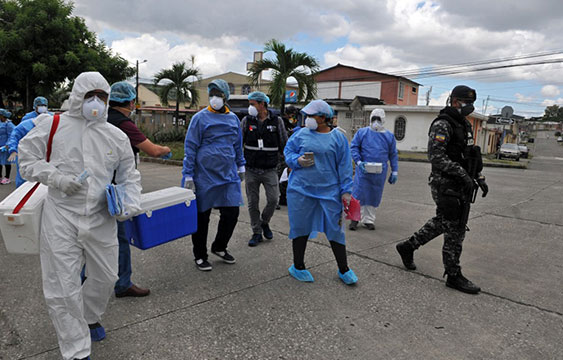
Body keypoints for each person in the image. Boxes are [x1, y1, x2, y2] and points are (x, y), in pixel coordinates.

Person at [19, 72, 142, 360]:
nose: (96, 102)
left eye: (102, 96)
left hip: (101, 217)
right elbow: (26, 160)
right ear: (77, 96)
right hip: (62, 215)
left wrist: (129, 203)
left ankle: (89, 316)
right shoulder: (53, 125)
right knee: (62, 284)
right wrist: (57, 179)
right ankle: (76, 349)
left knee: (107, 275)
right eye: (90, 95)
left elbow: (129, 175)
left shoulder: (116, 135)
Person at [395, 85, 488, 295]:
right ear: (455, 101)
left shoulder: (464, 125)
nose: (469, 107)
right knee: (455, 227)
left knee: (444, 222)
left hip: (461, 183)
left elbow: (470, 154)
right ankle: (453, 274)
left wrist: (478, 176)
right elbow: (436, 156)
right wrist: (461, 173)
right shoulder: (442, 124)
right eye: (467, 103)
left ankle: (408, 246)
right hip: (445, 183)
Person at [107, 81, 171, 298]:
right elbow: (152, 150)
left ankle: (84, 281)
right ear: (131, 101)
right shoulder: (124, 124)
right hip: (115, 191)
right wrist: (166, 149)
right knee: (120, 238)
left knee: (92, 239)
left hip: (93, 186)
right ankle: (122, 283)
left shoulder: (99, 119)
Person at [284, 99, 357, 285]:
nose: (307, 119)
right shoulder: (300, 134)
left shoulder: (338, 137)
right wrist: (297, 160)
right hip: (301, 190)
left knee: (335, 230)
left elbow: (345, 166)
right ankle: (298, 266)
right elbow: (288, 151)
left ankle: (344, 269)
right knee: (301, 227)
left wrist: (346, 190)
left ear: (324, 118)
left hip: (329, 192)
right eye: (306, 115)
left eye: (311, 115)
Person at [182, 79, 245, 271]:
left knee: (232, 213)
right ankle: (200, 255)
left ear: (226, 96)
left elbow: (237, 144)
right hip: (204, 175)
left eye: (219, 94)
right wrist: (188, 175)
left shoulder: (233, 119)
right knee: (202, 216)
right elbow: (190, 146)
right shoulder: (200, 118)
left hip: (227, 174)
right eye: (212, 94)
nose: (215, 98)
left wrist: (241, 165)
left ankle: (219, 246)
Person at [241, 91, 288, 246]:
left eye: (253, 104)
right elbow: (238, 143)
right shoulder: (246, 121)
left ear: (262, 104)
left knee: (274, 200)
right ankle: (256, 232)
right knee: (252, 202)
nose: (250, 107)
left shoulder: (277, 121)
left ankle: (264, 222)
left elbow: (284, 144)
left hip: (270, 169)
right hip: (251, 169)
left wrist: (287, 164)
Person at [349, 108, 398, 230]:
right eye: (374, 119)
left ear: (383, 120)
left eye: (378, 119)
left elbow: (393, 154)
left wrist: (395, 171)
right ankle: (354, 219)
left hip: (378, 172)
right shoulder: (362, 133)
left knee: (373, 195)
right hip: (363, 170)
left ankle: (368, 220)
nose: (376, 121)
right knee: (358, 194)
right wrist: (359, 162)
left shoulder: (389, 136)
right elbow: (354, 147)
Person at [7, 97, 52, 188]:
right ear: (35, 106)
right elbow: (16, 135)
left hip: (47, 151)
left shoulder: (51, 117)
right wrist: (13, 149)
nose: (42, 107)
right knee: (25, 176)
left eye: (44, 105)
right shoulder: (27, 120)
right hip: (28, 151)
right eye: (40, 105)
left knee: (46, 178)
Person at [0, 109, 15, 184]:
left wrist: (7, 145)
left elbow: (12, 135)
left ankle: (7, 177)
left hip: (5, 146)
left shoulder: (9, 124)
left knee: (6, 162)